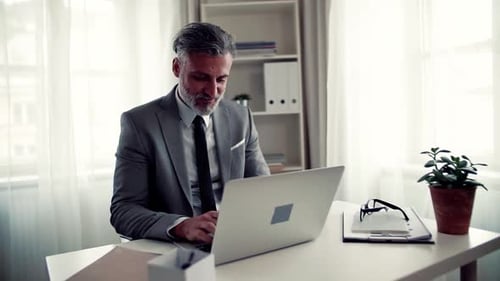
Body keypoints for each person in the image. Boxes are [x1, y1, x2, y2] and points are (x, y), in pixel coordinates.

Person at [110, 22, 270, 244]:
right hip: (175, 247)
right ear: (177, 68)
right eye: (201, 78)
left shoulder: (241, 118)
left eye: (221, 79)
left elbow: (264, 190)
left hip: (234, 239)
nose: (213, 92)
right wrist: (181, 226)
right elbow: (123, 211)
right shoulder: (139, 124)